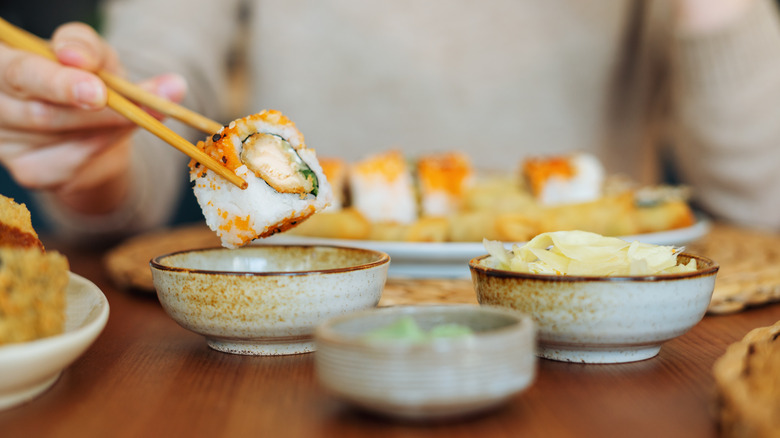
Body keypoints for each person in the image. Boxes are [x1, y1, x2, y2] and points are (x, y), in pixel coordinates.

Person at [2, 0, 780, 244]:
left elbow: (765, 210)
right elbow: (153, 84)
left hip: (600, 334)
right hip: (297, 331)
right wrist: (93, 157)